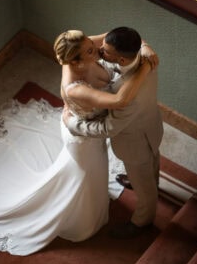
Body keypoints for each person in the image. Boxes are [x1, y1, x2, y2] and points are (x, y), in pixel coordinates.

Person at [0, 30, 155, 255]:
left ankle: (120, 198)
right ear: (75, 61)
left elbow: (109, 38)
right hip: (81, 136)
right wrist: (145, 65)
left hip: (96, 127)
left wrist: (145, 50)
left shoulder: (81, 50)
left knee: (99, 171)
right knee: (85, 174)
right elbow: (118, 101)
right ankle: (82, 216)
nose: (97, 49)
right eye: (91, 49)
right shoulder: (76, 86)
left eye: (93, 44)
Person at [65, 27, 164, 239]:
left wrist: (73, 124)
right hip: (151, 125)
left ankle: (142, 222)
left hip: (134, 144)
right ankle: (152, 181)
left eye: (106, 51)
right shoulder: (147, 60)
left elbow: (106, 128)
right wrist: (146, 46)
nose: (100, 50)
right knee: (153, 158)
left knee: (145, 191)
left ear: (120, 59)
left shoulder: (127, 96)